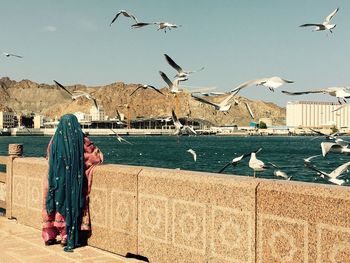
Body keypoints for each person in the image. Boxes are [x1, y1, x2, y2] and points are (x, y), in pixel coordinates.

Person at [41, 114, 103, 252]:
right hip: (71, 181)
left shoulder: (54, 140)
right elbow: (93, 158)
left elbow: (48, 156)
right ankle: (66, 236)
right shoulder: (81, 140)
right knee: (68, 203)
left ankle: (49, 235)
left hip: (53, 180)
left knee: (53, 204)